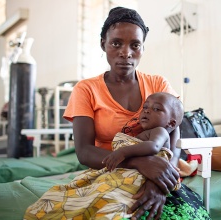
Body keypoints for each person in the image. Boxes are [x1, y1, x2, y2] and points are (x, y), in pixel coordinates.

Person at [61, 6, 209, 220]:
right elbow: (84, 151)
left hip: (159, 173)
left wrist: (160, 181)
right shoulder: (86, 89)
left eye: (135, 45)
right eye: (116, 43)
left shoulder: (158, 84)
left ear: (142, 48)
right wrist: (140, 162)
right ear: (103, 44)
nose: (126, 53)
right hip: (110, 171)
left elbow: (174, 129)